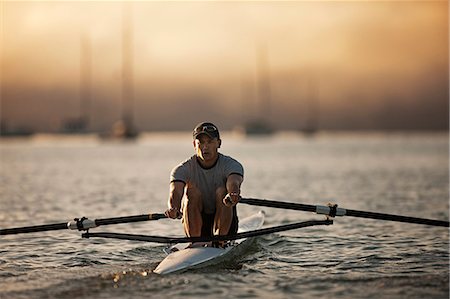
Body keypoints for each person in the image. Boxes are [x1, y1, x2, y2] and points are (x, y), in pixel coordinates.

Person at [165, 122, 243, 245]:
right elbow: (176, 191)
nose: (205, 147)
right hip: (197, 224)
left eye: (210, 142)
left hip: (226, 224)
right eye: (200, 142)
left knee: (222, 191)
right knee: (191, 192)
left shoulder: (231, 165)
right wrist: (173, 207)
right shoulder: (182, 169)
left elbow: (234, 182)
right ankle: (195, 243)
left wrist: (233, 194)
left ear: (219, 143)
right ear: (194, 145)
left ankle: (220, 241)